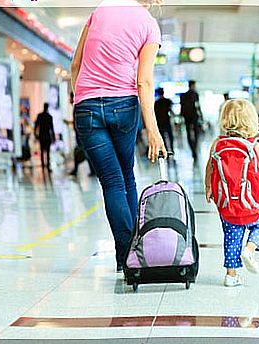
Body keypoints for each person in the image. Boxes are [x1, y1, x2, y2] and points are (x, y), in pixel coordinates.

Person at [71, 0, 167, 272]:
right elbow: (144, 81)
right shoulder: (149, 25)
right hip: (124, 105)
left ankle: (126, 256)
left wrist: (79, 99)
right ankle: (133, 255)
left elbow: (76, 64)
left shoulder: (100, 10)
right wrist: (153, 130)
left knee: (111, 182)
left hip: (87, 106)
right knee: (126, 176)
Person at [204, 99, 259, 287]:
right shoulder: (254, 145)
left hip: (227, 203)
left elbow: (210, 168)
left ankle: (231, 276)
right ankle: (249, 249)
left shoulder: (217, 144)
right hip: (253, 201)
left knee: (231, 236)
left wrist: (208, 188)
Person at [180, 80, 203, 160]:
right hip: (194, 116)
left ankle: (193, 149)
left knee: (189, 133)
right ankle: (195, 147)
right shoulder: (195, 94)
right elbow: (198, 106)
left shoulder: (183, 95)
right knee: (196, 132)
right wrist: (201, 116)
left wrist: (181, 116)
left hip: (186, 116)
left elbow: (182, 107)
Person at [34, 103, 55, 172]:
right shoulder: (49, 117)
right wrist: (53, 137)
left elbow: (36, 126)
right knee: (47, 152)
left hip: (42, 135)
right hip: (47, 136)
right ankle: (47, 167)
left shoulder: (40, 116)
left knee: (43, 151)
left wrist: (35, 134)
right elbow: (52, 128)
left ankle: (43, 167)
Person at [154, 88, 175, 152]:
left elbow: (155, 114)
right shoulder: (167, 101)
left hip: (160, 122)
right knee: (170, 136)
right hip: (167, 121)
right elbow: (171, 111)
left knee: (163, 137)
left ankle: (165, 149)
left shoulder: (156, 103)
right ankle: (172, 149)